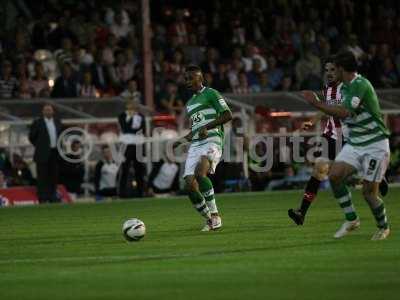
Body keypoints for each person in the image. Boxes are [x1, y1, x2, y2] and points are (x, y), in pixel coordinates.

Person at [289, 57, 389, 226]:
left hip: (348, 136)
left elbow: (343, 111)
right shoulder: (328, 88)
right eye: (326, 70)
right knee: (318, 172)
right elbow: (326, 108)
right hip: (331, 135)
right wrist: (312, 121)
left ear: (341, 71)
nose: (329, 73)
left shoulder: (349, 88)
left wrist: (317, 103)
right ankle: (301, 212)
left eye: (333, 70)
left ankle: (373, 175)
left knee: (341, 175)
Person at [173, 65, 232, 231]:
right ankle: (208, 219)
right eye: (185, 79)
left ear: (200, 79)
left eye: (190, 78)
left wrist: (208, 126)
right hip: (196, 144)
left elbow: (228, 115)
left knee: (200, 172)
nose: (187, 81)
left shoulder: (211, 93)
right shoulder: (190, 103)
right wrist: (181, 141)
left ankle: (215, 215)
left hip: (213, 140)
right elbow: (196, 129)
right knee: (189, 185)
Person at [28, 104, 63, 203]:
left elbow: (61, 136)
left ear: (53, 112)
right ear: (43, 112)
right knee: (42, 176)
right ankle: (42, 197)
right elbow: (31, 137)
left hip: (54, 152)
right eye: (46, 110)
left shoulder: (57, 122)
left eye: (49, 110)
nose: (48, 112)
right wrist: (40, 146)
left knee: (54, 175)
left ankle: (53, 196)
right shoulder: (37, 122)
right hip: (42, 153)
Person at [118, 100, 146, 197]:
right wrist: (131, 117)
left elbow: (143, 131)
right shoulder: (122, 116)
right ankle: (122, 193)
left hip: (138, 145)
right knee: (124, 169)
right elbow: (125, 128)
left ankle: (140, 193)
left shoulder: (141, 116)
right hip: (126, 145)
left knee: (139, 170)